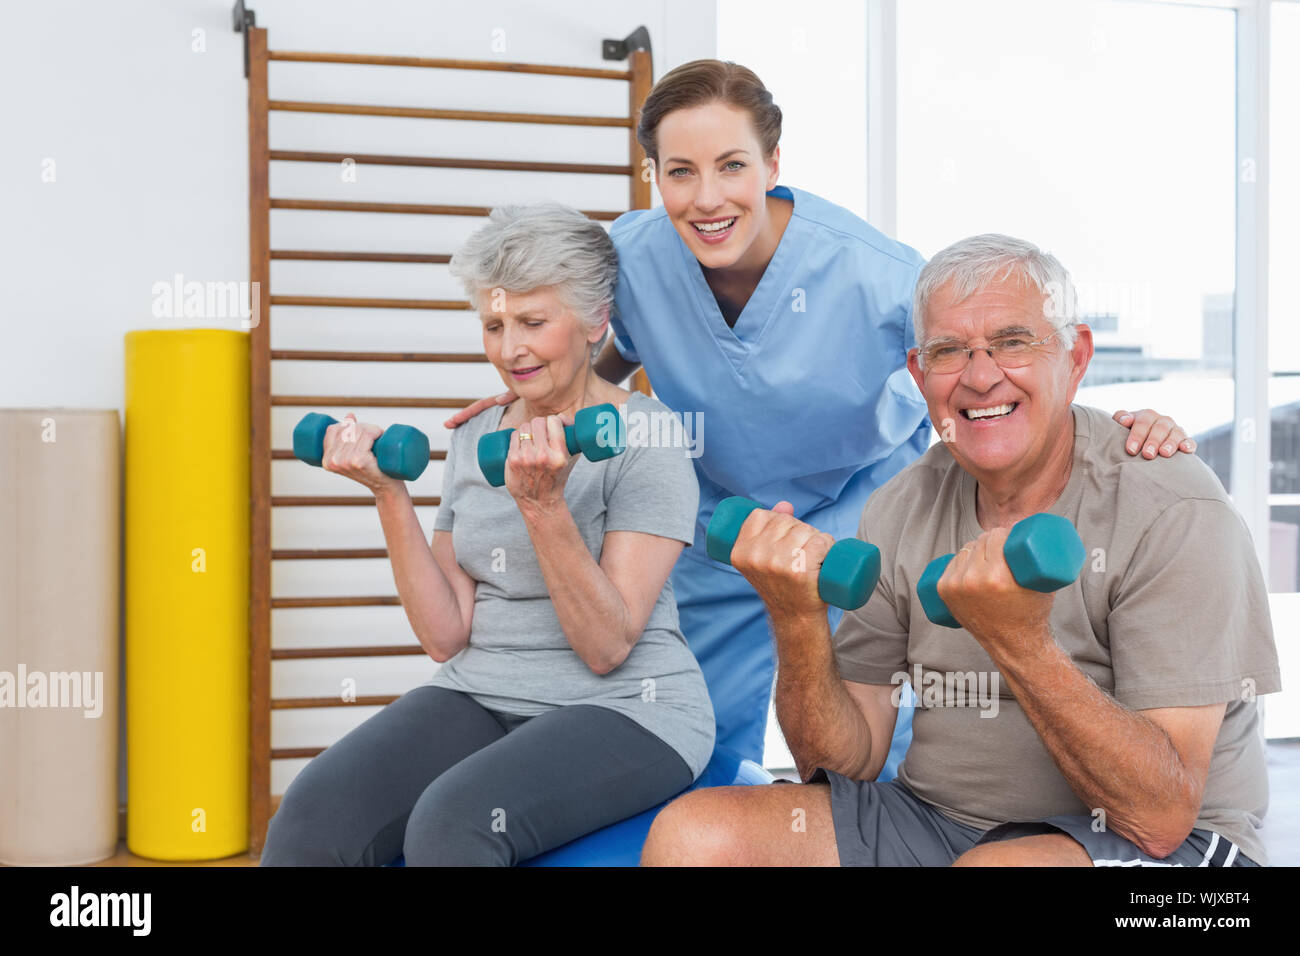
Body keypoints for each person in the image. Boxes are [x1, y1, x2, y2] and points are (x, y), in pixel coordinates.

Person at [445, 60, 1194, 776]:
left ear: (774, 164)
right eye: (680, 172)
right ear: (655, 178)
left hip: (861, 517)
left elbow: (987, 372)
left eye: (732, 165)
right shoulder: (635, 257)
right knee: (685, 736)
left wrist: (1112, 426)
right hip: (722, 523)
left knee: (882, 749)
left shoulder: (876, 275)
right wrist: (536, 398)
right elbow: (607, 350)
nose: (707, 199)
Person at [640, 234, 1281, 867]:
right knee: (695, 834)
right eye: (950, 352)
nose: (980, 376)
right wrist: (796, 617)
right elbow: (839, 766)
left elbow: (1160, 817)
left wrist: (1020, 643)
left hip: (1170, 852)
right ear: (920, 374)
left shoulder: (1170, 506)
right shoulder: (900, 505)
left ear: (1076, 356)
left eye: (1012, 343)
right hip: (938, 822)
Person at [261, 204, 713, 866]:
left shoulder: (649, 439)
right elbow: (446, 635)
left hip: (627, 707)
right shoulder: (476, 436)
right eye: (494, 325)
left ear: (595, 322)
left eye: (533, 322)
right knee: (311, 816)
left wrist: (543, 507)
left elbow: (607, 646)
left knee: (452, 826)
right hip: (483, 689)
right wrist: (389, 493)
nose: (510, 349)